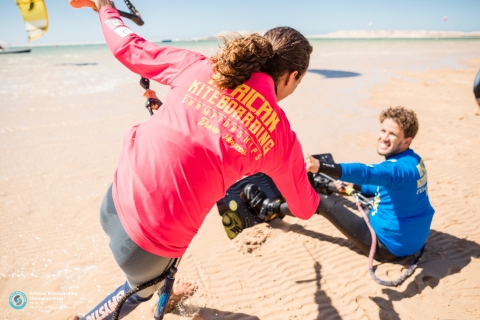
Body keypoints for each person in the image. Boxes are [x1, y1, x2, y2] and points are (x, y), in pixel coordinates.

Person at [69, 0, 319, 319]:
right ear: (292, 76)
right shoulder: (279, 135)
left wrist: (105, 8)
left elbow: (127, 47)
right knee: (136, 292)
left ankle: (166, 291)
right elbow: (304, 208)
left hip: (114, 201)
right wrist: (307, 178)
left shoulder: (200, 65)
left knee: (185, 195)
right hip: (146, 246)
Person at [304, 106, 435, 261]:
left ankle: (273, 207)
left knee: (320, 200)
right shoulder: (414, 161)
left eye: (392, 134)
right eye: (383, 130)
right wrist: (356, 186)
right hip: (415, 240)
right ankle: (326, 185)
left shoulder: (395, 169)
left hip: (387, 246)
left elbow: (366, 172)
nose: (384, 137)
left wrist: (321, 166)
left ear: (407, 141)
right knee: (360, 187)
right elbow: (387, 184)